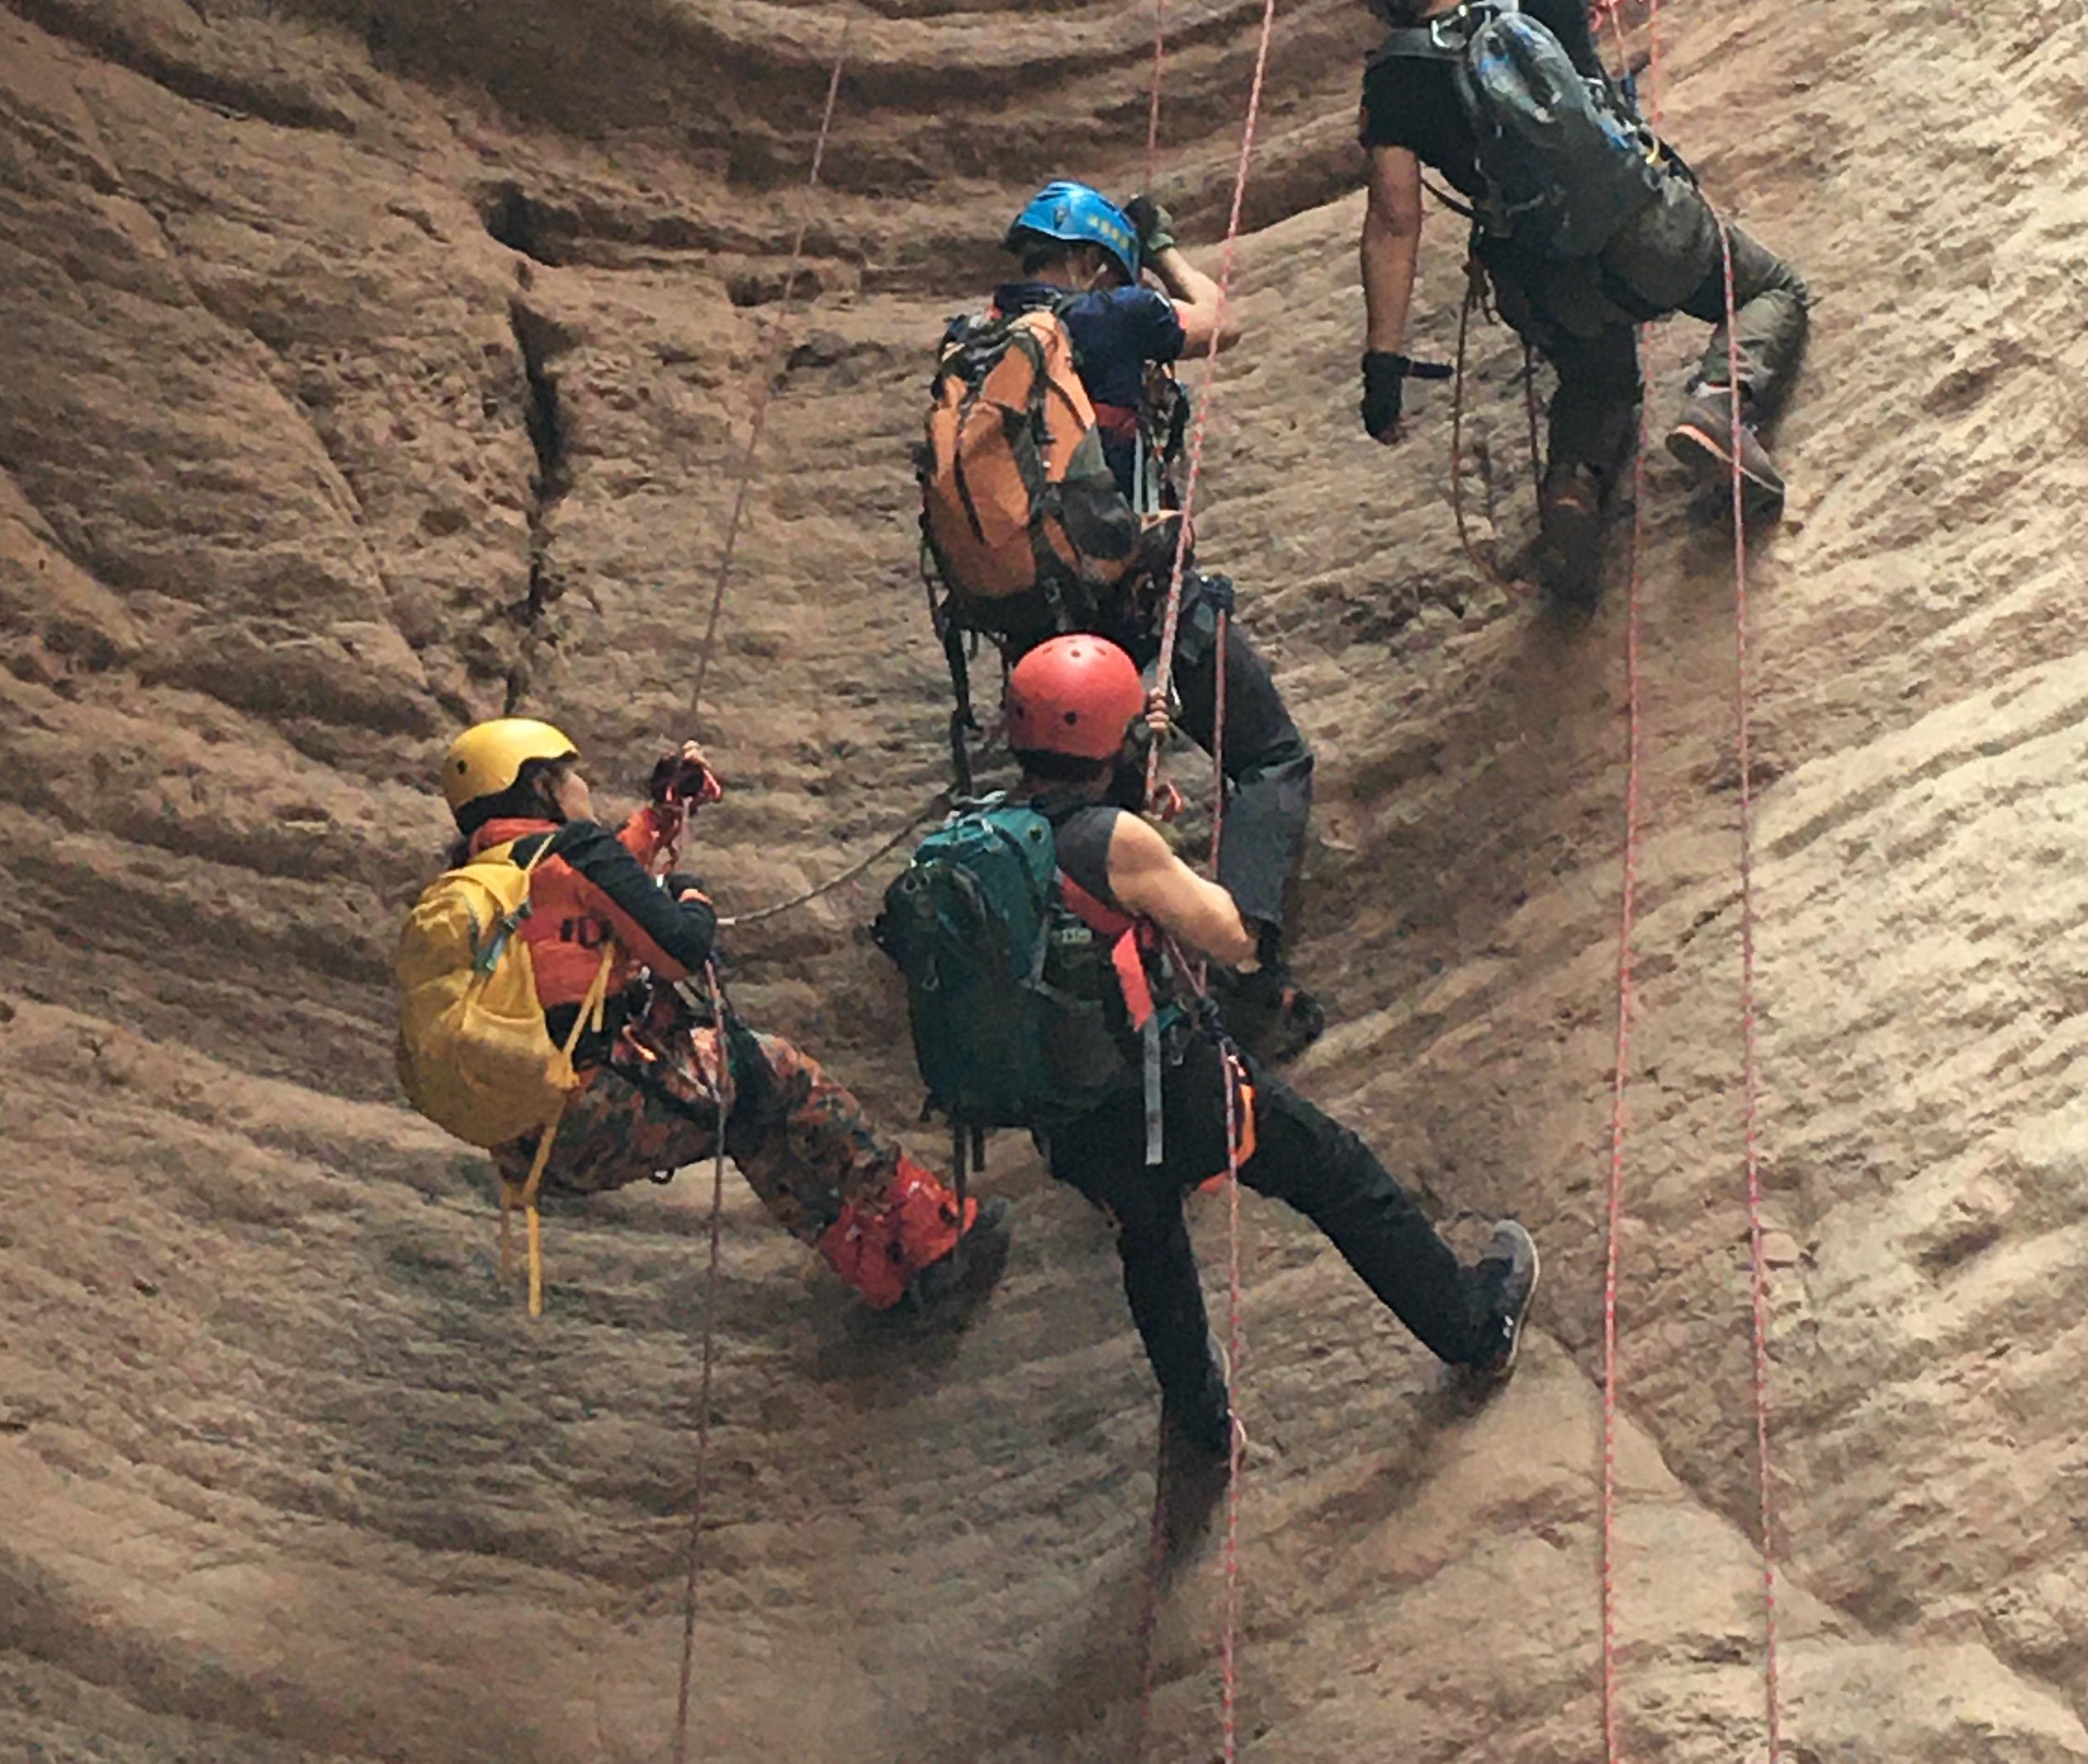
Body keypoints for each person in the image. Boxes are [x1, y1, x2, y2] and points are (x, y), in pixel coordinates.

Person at [1006, 636, 1539, 1458]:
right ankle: (1474, 1327)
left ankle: (1204, 1426)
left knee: (1148, 1246)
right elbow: (1238, 942)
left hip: (1067, 1114)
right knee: (1336, 1173)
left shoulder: (987, 837)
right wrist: (1159, 850)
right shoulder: (1116, 842)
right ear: (1113, 745)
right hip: (1172, 1094)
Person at [1313, 0, 1811, 605]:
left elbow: (1394, 224)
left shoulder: (1395, 82)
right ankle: (1718, 402)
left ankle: (1573, 500)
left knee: (1594, 378)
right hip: (1646, 225)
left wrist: (1382, 363)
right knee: (1771, 290)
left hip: (1544, 278)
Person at [440, 716, 1011, 1316]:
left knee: (748, 1119)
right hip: (593, 1109)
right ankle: (936, 1235)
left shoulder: (480, 884)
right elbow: (680, 949)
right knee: (778, 1070)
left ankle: (884, 1277)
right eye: (569, 775)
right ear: (539, 789)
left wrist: (660, 818)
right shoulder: (576, 854)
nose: (582, 785)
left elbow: (597, 882)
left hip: (529, 1146)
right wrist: (693, 899)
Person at [973, 181, 1320, 1059]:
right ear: (1092, 261)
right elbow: (1218, 318)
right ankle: (1246, 974)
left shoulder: (979, 347)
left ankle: (1123, 1023)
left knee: (1102, 810)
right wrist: (1161, 249)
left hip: (1040, 635)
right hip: (1139, 603)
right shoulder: (1118, 313)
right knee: (1270, 756)